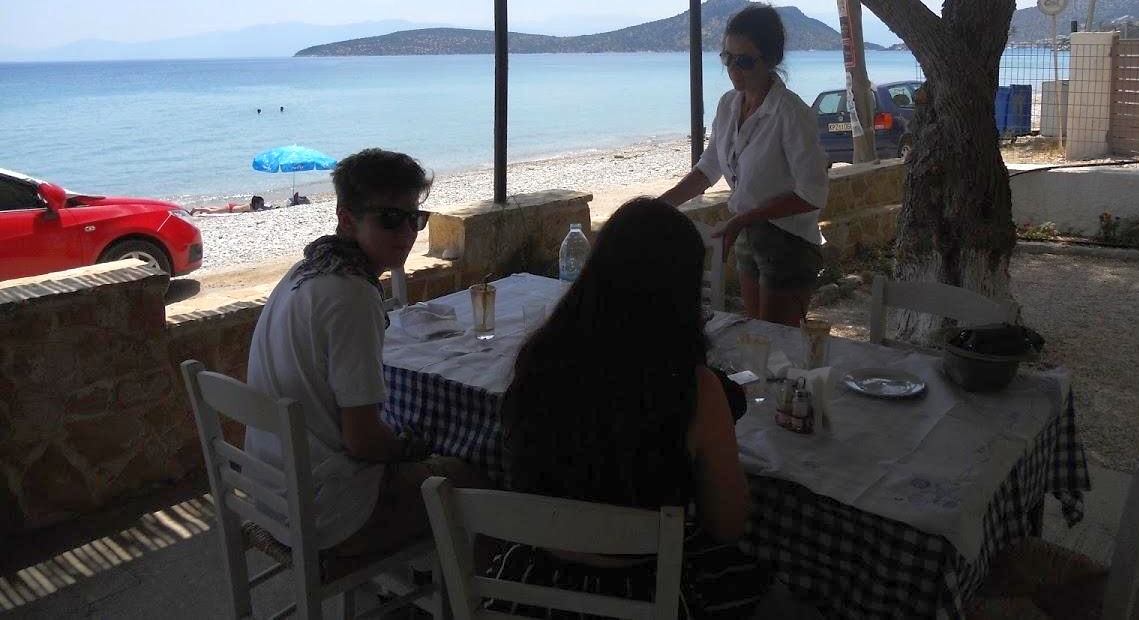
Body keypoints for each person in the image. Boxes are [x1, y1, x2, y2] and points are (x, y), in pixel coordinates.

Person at [487, 197, 766, 618]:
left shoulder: (538, 362)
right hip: (648, 597)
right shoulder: (692, 389)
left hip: (533, 589)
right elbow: (727, 524)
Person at [244, 148, 485, 557]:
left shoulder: (307, 270)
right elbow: (364, 441)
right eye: (390, 218)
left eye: (415, 218)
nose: (407, 232)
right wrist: (413, 450)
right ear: (346, 219)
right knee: (477, 481)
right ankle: (468, 588)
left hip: (272, 494)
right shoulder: (352, 295)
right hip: (325, 517)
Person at [661, 4, 829, 327]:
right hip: (746, 233)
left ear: (771, 59)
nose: (733, 69)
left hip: (789, 242)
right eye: (728, 58)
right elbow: (708, 168)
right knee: (756, 335)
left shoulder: (791, 113)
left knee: (775, 342)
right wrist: (660, 206)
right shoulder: (729, 105)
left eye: (745, 61)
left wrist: (744, 218)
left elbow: (813, 193)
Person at [190, 194, 273, 214]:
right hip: (230, 209)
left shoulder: (252, 206)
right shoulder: (249, 207)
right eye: (261, 203)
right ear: (256, 203)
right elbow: (259, 209)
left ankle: (203, 208)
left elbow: (262, 208)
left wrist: (270, 208)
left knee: (217, 208)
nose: (262, 205)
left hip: (232, 206)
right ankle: (195, 209)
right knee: (212, 212)